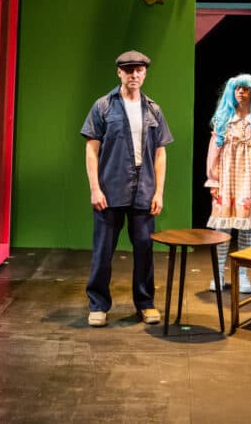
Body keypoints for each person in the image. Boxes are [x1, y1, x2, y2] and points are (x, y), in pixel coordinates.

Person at [80, 50, 173, 327]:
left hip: (143, 191)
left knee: (145, 249)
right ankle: (98, 304)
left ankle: (145, 303)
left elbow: (160, 153)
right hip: (110, 190)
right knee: (103, 251)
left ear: (145, 73)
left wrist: (158, 192)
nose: (134, 75)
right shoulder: (104, 106)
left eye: (139, 70)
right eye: (129, 70)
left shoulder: (153, 109)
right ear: (119, 72)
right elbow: (91, 150)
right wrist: (95, 188)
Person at [204, 73, 251, 294]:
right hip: (227, 179)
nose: (241, 92)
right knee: (222, 227)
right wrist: (213, 179)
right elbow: (214, 152)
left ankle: (242, 274)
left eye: (246, 88)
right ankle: (218, 273)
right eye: (238, 88)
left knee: (246, 228)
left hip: (250, 180)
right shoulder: (225, 120)